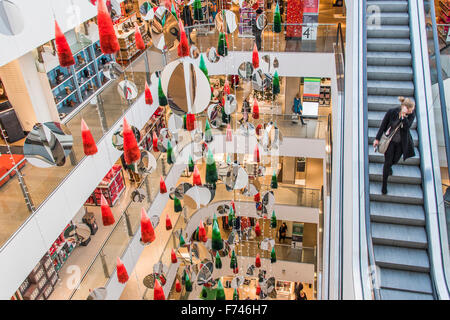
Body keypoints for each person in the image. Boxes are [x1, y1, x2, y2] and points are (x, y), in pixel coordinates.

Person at [373, 97, 416, 195]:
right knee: (387, 162)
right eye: (411, 109)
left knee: (395, 160)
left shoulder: (411, 115)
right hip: (390, 142)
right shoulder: (392, 112)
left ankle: (390, 166)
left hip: (401, 143)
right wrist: (377, 139)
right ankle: (384, 185)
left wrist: (404, 117)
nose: (412, 111)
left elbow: (407, 127)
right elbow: (383, 125)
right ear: (405, 107)